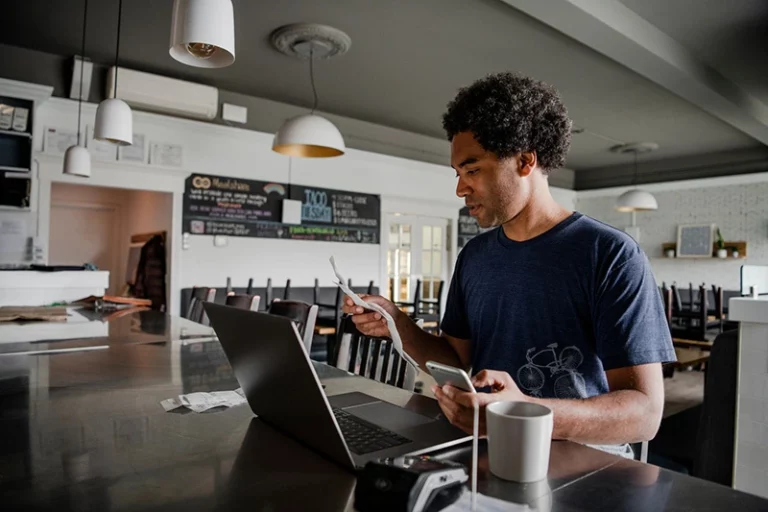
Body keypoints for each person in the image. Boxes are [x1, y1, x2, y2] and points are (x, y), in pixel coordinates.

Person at [343, 72, 675, 455]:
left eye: (472, 170)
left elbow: (645, 413)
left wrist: (521, 412)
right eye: (457, 174)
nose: (459, 188)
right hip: (485, 446)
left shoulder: (610, 254)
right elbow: (458, 361)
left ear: (524, 161)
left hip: (579, 456)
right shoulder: (475, 257)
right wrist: (398, 325)